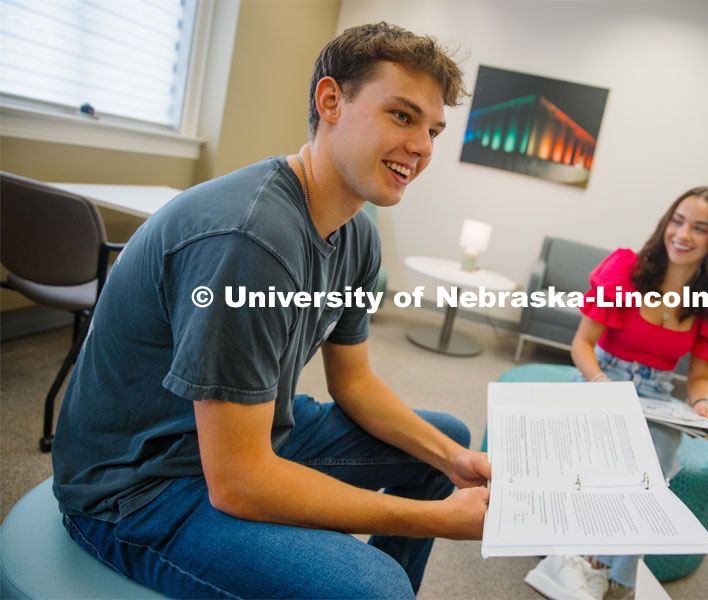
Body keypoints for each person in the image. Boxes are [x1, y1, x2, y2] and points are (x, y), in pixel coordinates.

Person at [51, 22, 491, 599]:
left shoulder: (358, 236)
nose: (423, 147)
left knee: (444, 441)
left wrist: (456, 461)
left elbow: (354, 383)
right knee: (374, 587)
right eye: (402, 116)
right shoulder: (250, 239)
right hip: (137, 488)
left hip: (246, 435)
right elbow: (238, 484)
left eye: (433, 128)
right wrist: (439, 520)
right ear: (330, 101)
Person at [525, 186, 708, 600]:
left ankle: (609, 570)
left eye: (699, 228)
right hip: (603, 377)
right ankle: (585, 561)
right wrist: (602, 384)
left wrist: (702, 405)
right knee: (600, 456)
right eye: (677, 221)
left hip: (657, 394)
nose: (682, 234)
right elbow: (582, 345)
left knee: (650, 470)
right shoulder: (626, 269)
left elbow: (700, 376)